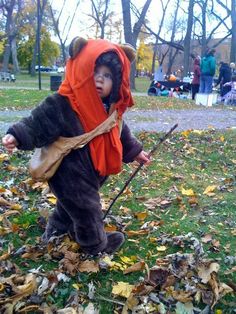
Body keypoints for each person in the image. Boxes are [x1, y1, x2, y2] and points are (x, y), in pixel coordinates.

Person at [2, 37, 150, 256]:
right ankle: (95, 246)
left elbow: (119, 132)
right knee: (87, 209)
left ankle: (55, 231)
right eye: (94, 73)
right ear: (81, 71)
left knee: (69, 206)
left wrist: (135, 152)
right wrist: (17, 135)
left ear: (117, 81)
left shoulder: (111, 109)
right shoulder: (64, 103)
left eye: (107, 76)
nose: (100, 80)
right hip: (68, 172)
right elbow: (38, 121)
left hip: (91, 173)